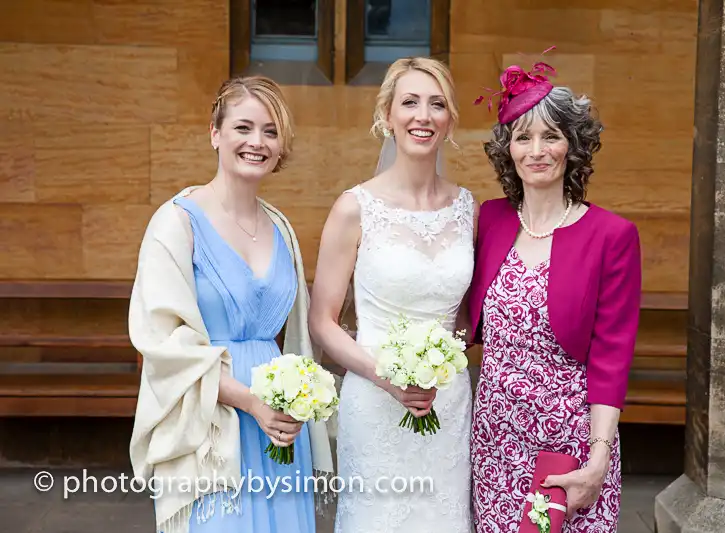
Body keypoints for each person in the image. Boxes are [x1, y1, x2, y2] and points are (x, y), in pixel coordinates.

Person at [128, 75, 334, 533]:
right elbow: (161, 345)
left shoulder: (282, 228)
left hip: (280, 427)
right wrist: (250, 401)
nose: (256, 142)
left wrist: (294, 400)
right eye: (243, 128)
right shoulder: (176, 222)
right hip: (213, 422)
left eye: (270, 131)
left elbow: (297, 339)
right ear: (215, 132)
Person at [467, 60, 642, 532]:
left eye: (551, 136)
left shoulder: (611, 235)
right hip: (494, 438)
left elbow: (612, 355)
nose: (537, 150)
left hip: (568, 438)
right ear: (508, 150)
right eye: (524, 138)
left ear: (574, 147)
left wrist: (598, 456)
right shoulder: (490, 220)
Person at [308, 57, 478, 533]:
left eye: (436, 104)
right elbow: (321, 321)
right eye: (409, 102)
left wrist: (445, 356)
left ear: (449, 122)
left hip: (446, 403)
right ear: (387, 116)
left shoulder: (468, 209)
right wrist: (387, 375)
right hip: (375, 399)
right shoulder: (353, 208)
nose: (423, 115)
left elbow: (465, 317)